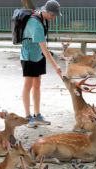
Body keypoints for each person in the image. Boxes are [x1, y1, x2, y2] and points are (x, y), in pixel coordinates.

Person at [20, 0, 63, 128]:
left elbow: (43, 50)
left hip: (38, 56)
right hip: (29, 57)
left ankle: (37, 115)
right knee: (28, 85)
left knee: (37, 84)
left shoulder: (42, 18)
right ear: (47, 12)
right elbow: (45, 49)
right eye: (53, 15)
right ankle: (28, 118)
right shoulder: (36, 24)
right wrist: (56, 67)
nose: (54, 18)